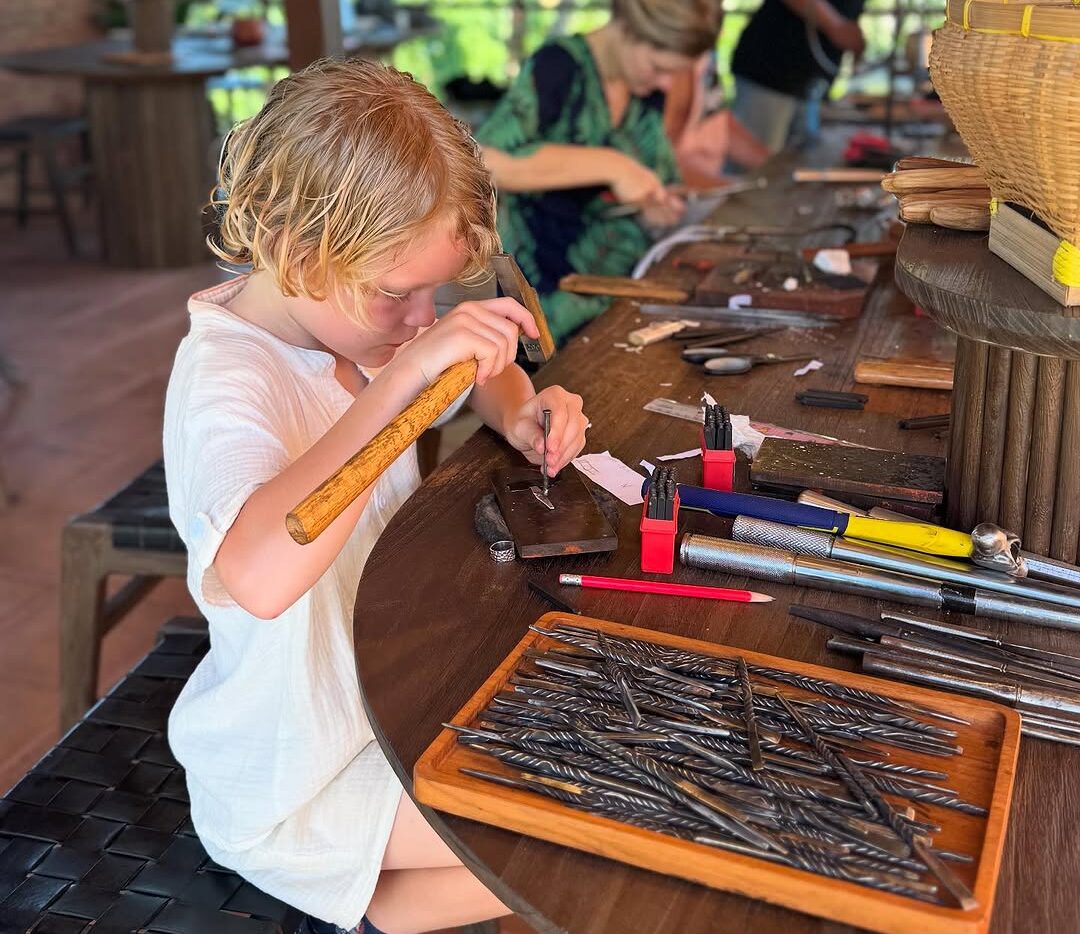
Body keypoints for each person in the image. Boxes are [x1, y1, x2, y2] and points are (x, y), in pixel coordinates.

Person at [162, 58, 588, 934]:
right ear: (296, 248)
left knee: (593, 834)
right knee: (586, 836)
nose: (420, 321)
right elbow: (258, 574)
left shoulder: (350, 315)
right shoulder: (226, 380)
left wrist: (515, 408)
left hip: (393, 696)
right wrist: (404, 385)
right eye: (401, 294)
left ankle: (378, 904)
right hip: (298, 764)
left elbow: (468, 373)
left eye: (434, 293)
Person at [477, 0, 724, 343]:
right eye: (658, 67)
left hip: (617, 294)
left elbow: (661, 182)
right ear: (628, 29)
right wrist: (612, 165)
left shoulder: (646, 90)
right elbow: (486, 161)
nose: (666, 84)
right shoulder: (559, 67)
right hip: (546, 304)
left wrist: (656, 210)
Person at [731, 0, 866, 153]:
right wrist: (835, 26)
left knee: (797, 161)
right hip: (771, 73)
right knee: (755, 166)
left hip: (809, 84)